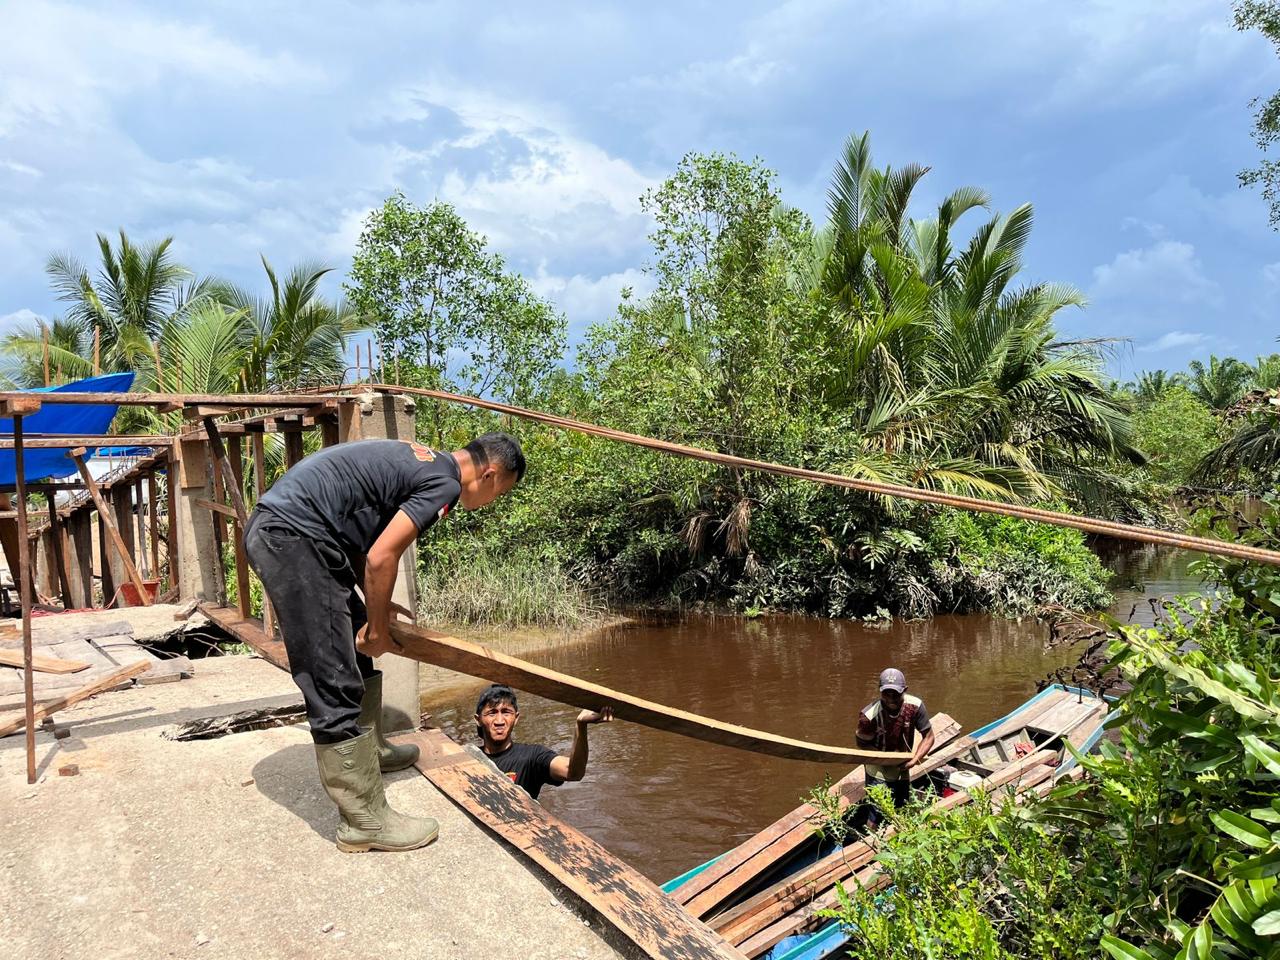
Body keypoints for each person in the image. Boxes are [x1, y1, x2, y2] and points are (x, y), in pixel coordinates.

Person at [244, 433, 525, 853]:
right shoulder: (444, 482)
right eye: (500, 492)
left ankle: (370, 748)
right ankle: (363, 822)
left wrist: (378, 608)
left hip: (306, 536)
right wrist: (376, 630)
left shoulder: (425, 462)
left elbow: (364, 544)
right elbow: (382, 557)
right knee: (333, 675)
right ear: (490, 474)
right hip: (292, 538)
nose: (493, 502)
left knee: (355, 651)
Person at [472, 683, 613, 800]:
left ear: (516, 718)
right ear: (478, 719)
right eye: (492, 713)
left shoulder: (531, 757)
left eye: (506, 712)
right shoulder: (466, 759)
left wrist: (580, 726)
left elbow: (573, 772)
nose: (500, 721)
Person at [854, 667, 935, 827]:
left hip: (902, 764)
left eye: (896, 693)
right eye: (886, 693)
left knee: (902, 806)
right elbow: (861, 742)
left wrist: (914, 760)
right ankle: (873, 843)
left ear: (905, 690)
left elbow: (929, 736)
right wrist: (882, 758)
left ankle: (898, 839)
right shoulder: (869, 715)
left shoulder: (915, 707)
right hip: (877, 766)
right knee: (878, 811)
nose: (891, 698)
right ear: (880, 691)